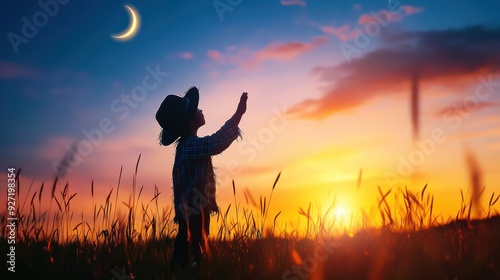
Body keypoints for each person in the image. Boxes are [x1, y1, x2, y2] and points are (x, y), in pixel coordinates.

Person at [155, 86, 248, 269]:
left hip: (195, 210)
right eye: (196, 110)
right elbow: (215, 142)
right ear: (191, 123)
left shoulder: (188, 146)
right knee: (192, 256)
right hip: (193, 211)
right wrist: (239, 114)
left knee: (190, 253)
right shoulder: (189, 146)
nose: (201, 110)